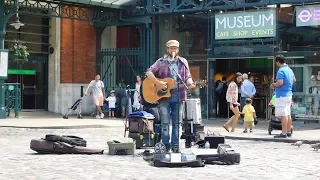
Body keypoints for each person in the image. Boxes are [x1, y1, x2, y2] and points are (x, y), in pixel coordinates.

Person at [146, 40, 196, 153]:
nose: (173, 50)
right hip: (164, 98)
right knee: (165, 123)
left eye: (175, 48)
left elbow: (187, 76)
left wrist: (190, 83)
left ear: (178, 50)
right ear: (167, 49)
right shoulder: (161, 62)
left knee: (177, 123)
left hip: (179, 96)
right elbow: (149, 72)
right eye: (171, 48)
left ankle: (175, 146)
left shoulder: (183, 62)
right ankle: (165, 146)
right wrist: (157, 83)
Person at [270, 55, 296, 138]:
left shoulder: (281, 71)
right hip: (289, 94)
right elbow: (294, 80)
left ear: (278, 61)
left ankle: (283, 133)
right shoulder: (289, 70)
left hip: (282, 95)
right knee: (288, 113)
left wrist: (273, 85)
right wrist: (288, 85)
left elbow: (280, 83)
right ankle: (288, 132)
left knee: (283, 115)